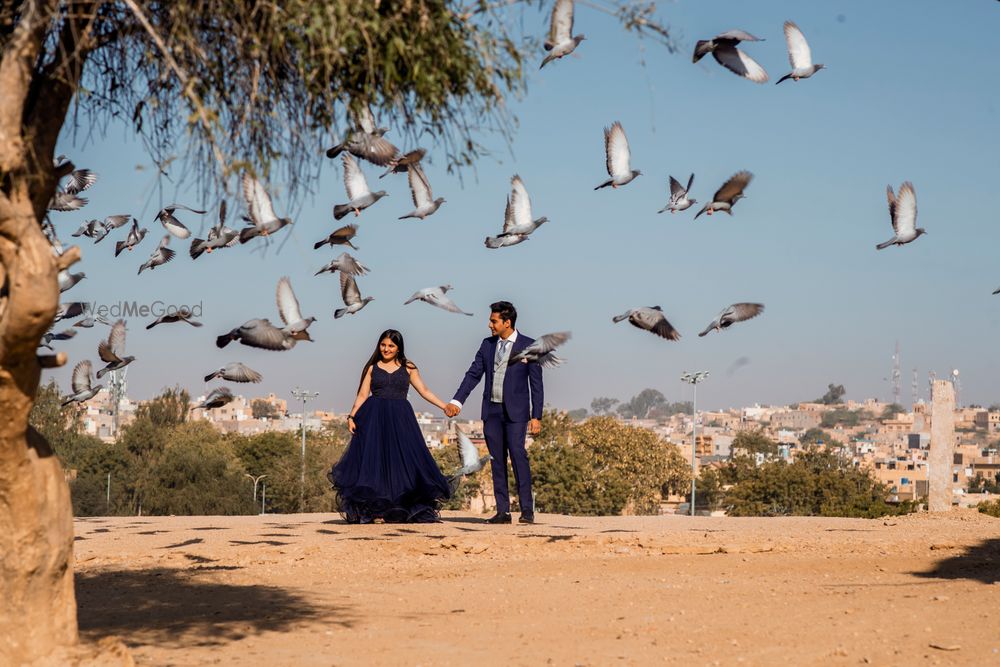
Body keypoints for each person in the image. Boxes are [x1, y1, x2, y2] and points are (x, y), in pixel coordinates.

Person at [328, 329, 452, 523]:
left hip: (401, 419)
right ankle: (376, 511)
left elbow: (424, 390)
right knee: (376, 464)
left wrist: (444, 406)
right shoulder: (372, 368)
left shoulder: (409, 367)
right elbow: (362, 395)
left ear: (398, 348)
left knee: (402, 463)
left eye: (391, 346)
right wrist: (351, 416)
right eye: (383, 345)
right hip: (374, 419)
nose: (386, 349)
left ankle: (399, 509)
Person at [445, 301, 543, 524]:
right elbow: (473, 374)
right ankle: (503, 512)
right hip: (492, 412)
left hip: (517, 413)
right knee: (496, 460)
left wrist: (536, 416)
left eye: (493, 321)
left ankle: (527, 510)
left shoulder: (530, 345)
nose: (489, 324)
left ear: (507, 323)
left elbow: (536, 384)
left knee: (518, 456)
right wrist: (457, 401)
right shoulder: (487, 345)